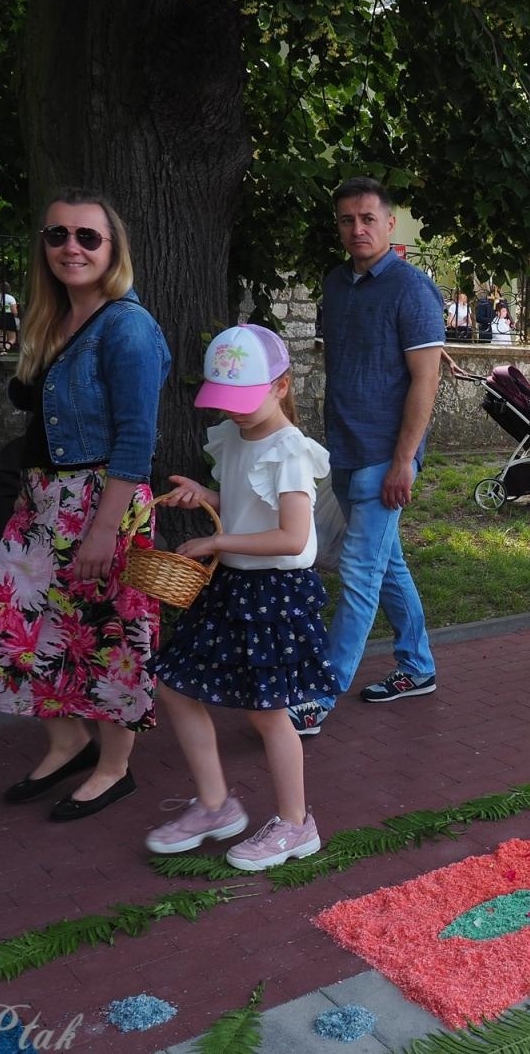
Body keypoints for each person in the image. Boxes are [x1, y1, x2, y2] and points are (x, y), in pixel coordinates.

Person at [0, 189, 170, 821]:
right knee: (8, 632)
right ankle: (69, 740)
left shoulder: (128, 326)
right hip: (44, 502)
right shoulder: (52, 319)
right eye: (57, 235)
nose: (71, 247)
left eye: (88, 237)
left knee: (112, 637)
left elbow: (137, 438)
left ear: (114, 250)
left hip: (103, 502)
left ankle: (115, 768)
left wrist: (104, 528)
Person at [145, 325, 332, 870]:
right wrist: (206, 496)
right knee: (177, 688)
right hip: (232, 586)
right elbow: (247, 501)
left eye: (246, 401)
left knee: (268, 712)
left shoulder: (290, 451)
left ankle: (296, 825)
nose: (237, 413)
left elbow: (292, 537)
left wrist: (218, 538)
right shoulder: (234, 438)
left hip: (273, 592)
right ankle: (214, 805)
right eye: (228, 403)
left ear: (281, 386)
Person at [318, 177, 444, 706]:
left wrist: (403, 462)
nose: (357, 228)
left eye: (368, 218)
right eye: (348, 220)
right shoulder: (335, 284)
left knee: (359, 574)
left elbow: (426, 381)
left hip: (382, 458)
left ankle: (317, 693)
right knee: (386, 563)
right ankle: (417, 666)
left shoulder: (412, 289)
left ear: (390, 224)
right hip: (342, 451)